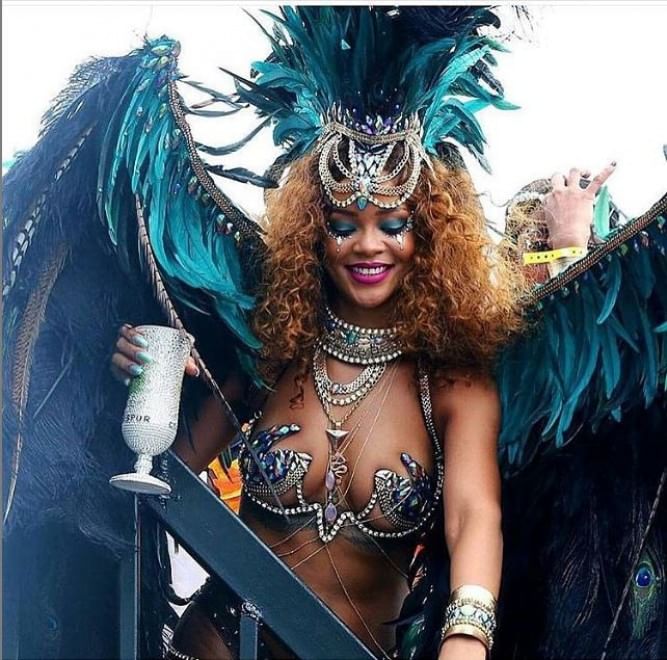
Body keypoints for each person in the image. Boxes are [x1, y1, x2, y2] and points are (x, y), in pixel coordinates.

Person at [106, 9, 616, 660]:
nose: (367, 245)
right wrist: (163, 389)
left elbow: (473, 518)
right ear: (312, 235)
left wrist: (466, 638)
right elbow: (168, 476)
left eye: (393, 225)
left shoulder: (453, 384)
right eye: (343, 225)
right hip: (215, 647)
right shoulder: (272, 349)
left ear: (428, 236)